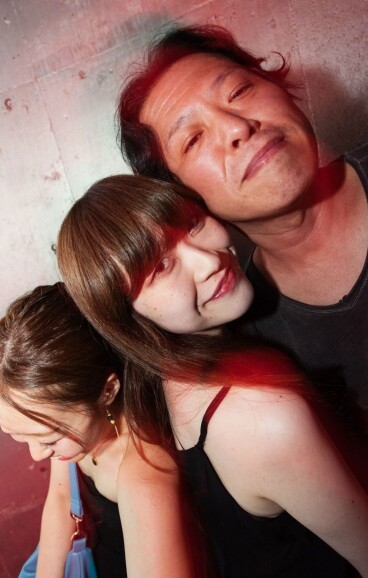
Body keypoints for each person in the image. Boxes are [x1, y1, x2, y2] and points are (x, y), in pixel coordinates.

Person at [57, 174, 368, 577]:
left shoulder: (155, 386)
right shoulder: (259, 416)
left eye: (192, 223)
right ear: (127, 318)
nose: (209, 261)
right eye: (160, 267)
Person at [117, 24, 368, 413]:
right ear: (184, 196)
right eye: (193, 139)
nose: (237, 127)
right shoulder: (255, 349)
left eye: (239, 92)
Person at [0, 283, 205, 578]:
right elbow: (62, 501)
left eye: (49, 439)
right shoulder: (69, 427)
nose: (37, 455)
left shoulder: (144, 480)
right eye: (21, 437)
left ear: (107, 391)